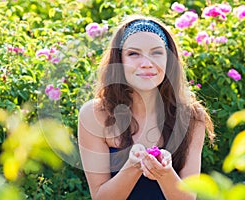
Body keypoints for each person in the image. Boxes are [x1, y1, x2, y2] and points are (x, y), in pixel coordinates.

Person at [78, 14, 215, 200]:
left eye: (157, 53)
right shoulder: (95, 115)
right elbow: (101, 197)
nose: (146, 64)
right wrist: (133, 167)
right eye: (133, 54)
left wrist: (164, 173)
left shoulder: (191, 117)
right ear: (119, 60)